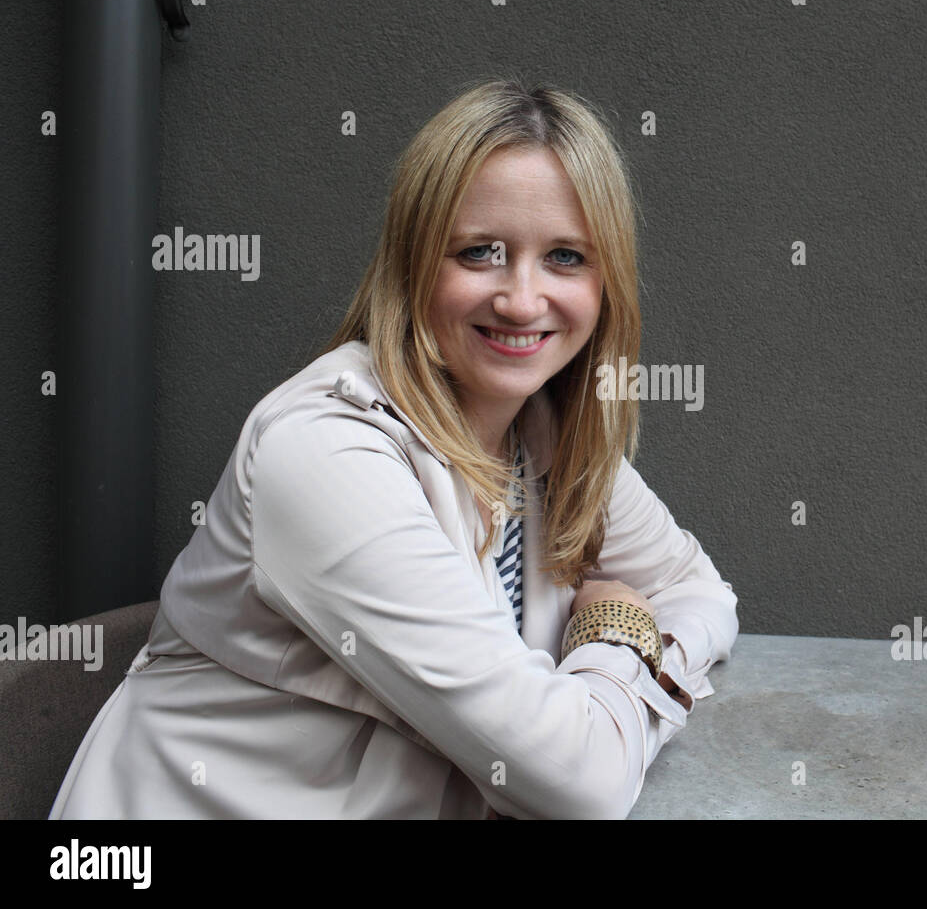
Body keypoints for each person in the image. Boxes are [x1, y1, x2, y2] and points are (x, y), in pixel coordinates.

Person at [48, 77, 738, 819]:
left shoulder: (543, 433)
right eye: (480, 252)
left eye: (566, 257)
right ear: (412, 264)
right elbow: (581, 784)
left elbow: (702, 594)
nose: (522, 298)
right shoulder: (323, 456)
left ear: (608, 285)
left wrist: (595, 703)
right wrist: (616, 633)